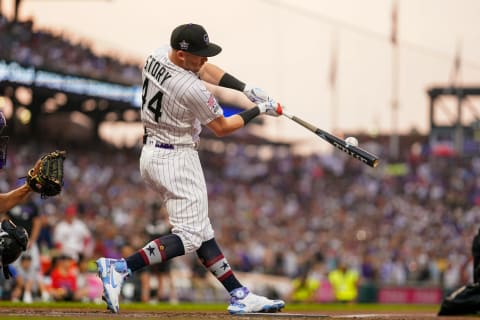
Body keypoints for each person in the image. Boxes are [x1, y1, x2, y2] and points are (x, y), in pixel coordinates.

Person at [96, 23, 285, 314]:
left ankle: (239, 293)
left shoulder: (158, 55)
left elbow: (205, 70)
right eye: (198, 54)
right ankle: (121, 267)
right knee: (190, 236)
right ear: (182, 55)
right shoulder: (188, 87)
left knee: (202, 231)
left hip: (153, 152)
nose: (204, 60)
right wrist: (259, 109)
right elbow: (222, 127)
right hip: (177, 157)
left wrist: (245, 89)